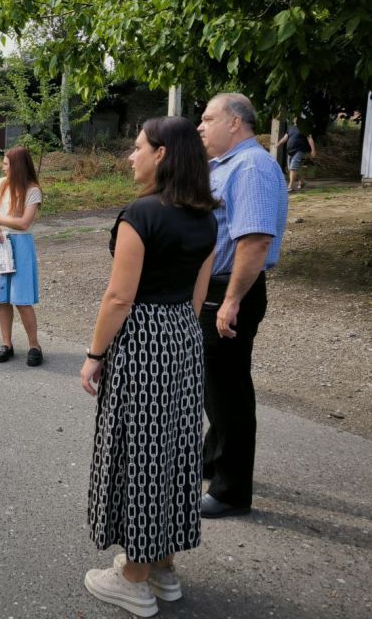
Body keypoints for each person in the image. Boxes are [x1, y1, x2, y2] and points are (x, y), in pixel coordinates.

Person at [80, 117, 217, 617]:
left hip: (141, 339)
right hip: (183, 336)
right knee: (175, 448)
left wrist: (95, 355)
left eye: (138, 148)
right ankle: (163, 567)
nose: (131, 156)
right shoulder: (206, 216)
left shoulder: (140, 215)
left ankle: (134, 579)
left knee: (139, 449)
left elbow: (119, 297)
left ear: (162, 154)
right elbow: (200, 295)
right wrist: (179, 330)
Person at [197, 93, 288, 518]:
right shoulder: (228, 166)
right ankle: (215, 457)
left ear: (235, 123)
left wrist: (231, 300)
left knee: (229, 390)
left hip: (230, 291)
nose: (201, 126)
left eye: (208, 118)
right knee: (214, 385)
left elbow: (255, 240)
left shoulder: (251, 167)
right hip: (217, 289)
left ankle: (232, 491)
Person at [0, 146, 44, 366]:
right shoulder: (2, 183)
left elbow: (25, 223)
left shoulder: (33, 190)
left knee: (22, 299)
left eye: (6, 163)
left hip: (20, 245)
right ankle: (6, 343)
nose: (3, 167)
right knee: (3, 298)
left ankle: (34, 345)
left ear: (17, 166)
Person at [276, 117, 316, 191]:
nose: (296, 120)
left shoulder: (304, 129)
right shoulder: (290, 128)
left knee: (293, 167)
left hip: (300, 150)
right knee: (290, 169)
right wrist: (278, 144)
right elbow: (285, 138)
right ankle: (302, 181)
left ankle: (290, 186)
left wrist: (313, 150)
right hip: (290, 151)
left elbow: (310, 139)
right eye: (295, 118)